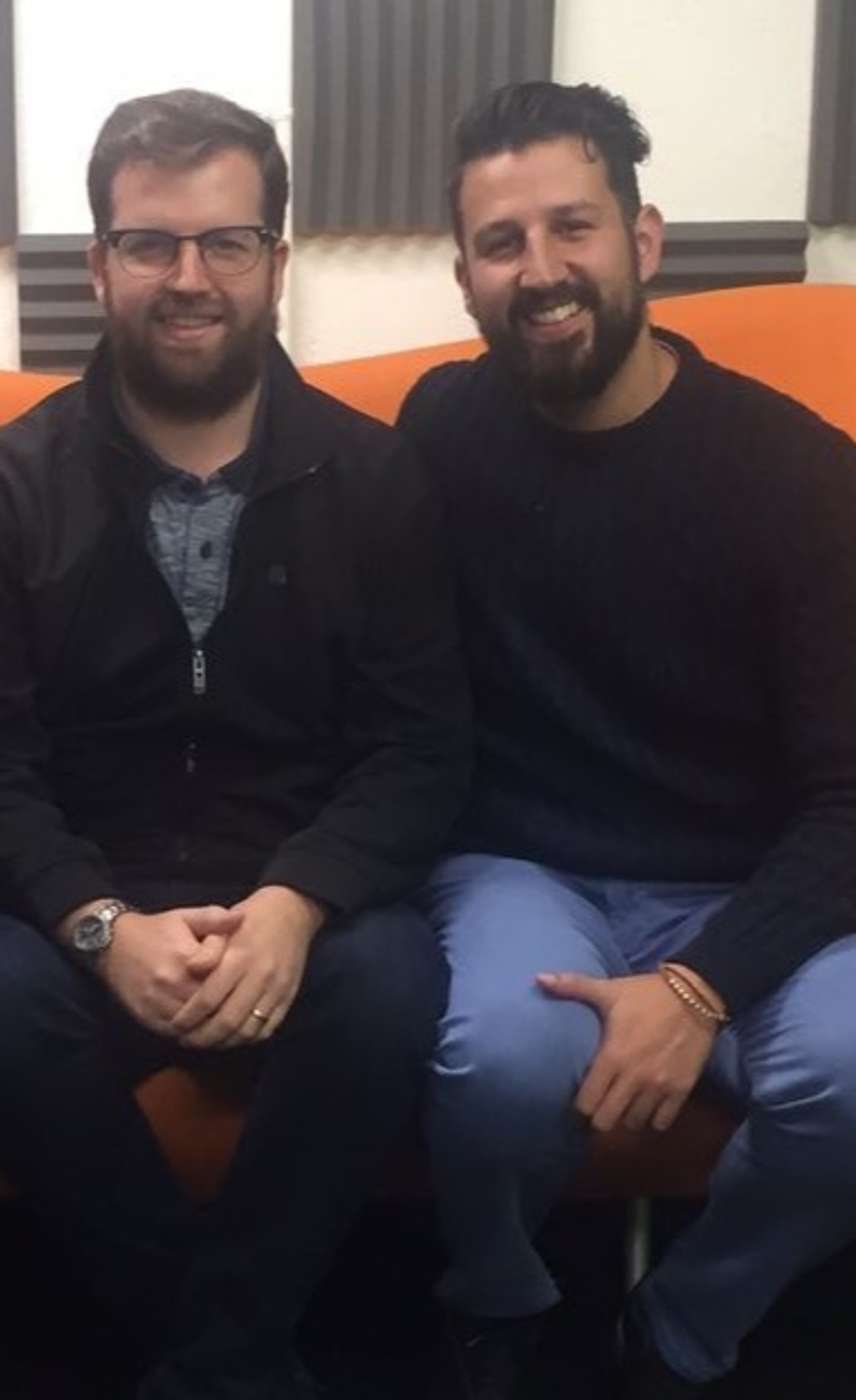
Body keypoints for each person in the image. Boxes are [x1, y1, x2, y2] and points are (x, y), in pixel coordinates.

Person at [0, 88, 470, 1399]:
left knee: (393, 981)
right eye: (150, 243)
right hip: (84, 899)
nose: (188, 278)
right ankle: (236, 1357)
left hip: (301, 901)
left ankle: (206, 1357)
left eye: (225, 242)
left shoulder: (376, 479)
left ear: (276, 260)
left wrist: (294, 903)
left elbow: (421, 749)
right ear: (98, 263)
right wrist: (101, 925)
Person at [398, 80, 856, 1398]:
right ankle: (498, 1295)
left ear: (642, 240)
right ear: (465, 280)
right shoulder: (440, 430)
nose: (541, 270)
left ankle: (683, 1327)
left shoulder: (797, 472)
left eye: (573, 227)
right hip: (525, 866)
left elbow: (849, 791)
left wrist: (699, 985)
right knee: (496, 1063)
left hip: (757, 880)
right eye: (501, 242)